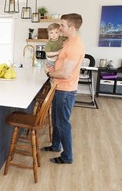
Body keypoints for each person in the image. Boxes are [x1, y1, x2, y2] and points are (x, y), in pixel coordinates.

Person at [43, 13, 85, 164]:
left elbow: (65, 73)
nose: (60, 28)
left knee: (62, 123)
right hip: (59, 87)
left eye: (62, 25)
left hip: (65, 90)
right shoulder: (68, 41)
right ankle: (55, 146)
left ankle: (67, 157)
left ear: (72, 28)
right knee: (56, 119)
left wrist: (49, 73)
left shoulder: (74, 46)